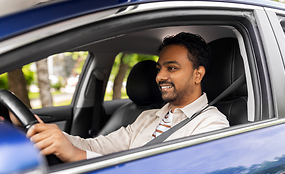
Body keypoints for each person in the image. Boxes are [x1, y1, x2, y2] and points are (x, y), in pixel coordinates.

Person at [26, 32, 229, 162]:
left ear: (198, 74)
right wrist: (52, 136)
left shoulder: (211, 125)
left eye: (172, 68)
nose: (160, 76)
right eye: (159, 69)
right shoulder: (148, 118)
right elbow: (97, 146)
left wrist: (78, 156)